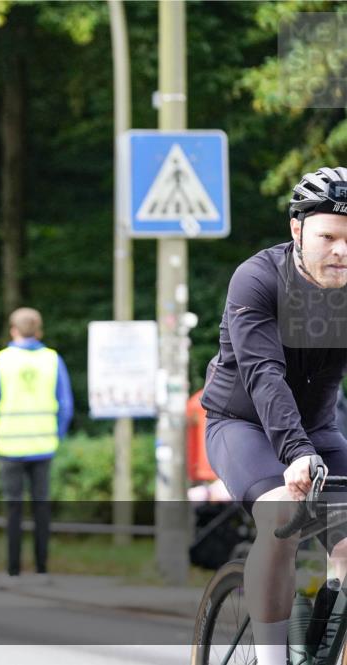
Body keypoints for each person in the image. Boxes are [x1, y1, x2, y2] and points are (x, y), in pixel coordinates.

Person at [201, 166, 347, 665]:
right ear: (297, 229)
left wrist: (310, 445)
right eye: (328, 236)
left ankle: (326, 641)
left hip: (319, 428)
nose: (341, 251)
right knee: (283, 513)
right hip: (242, 425)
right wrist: (296, 454)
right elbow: (264, 376)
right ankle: (272, 660)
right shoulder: (259, 280)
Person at [0, 307, 73, 584]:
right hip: (44, 445)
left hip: (9, 447)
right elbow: (66, 406)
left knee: (13, 510)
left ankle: (13, 572)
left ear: (13, 330)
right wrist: (57, 437)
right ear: (39, 331)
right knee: (42, 509)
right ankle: (43, 570)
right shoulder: (53, 360)